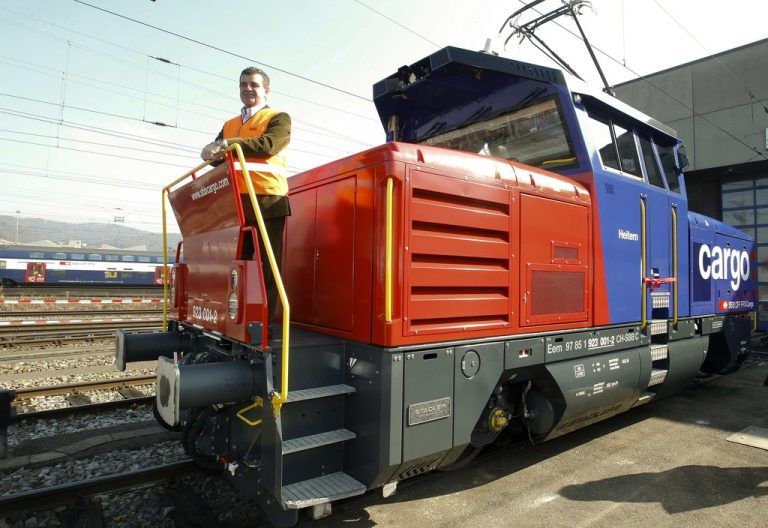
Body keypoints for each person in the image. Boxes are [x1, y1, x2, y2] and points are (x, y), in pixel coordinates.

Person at [201, 67, 291, 331]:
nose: (247, 89)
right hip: (235, 204)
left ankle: (266, 323)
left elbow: (269, 145)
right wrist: (209, 151)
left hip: (266, 201)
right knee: (235, 267)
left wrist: (226, 144)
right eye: (243, 84)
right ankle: (235, 318)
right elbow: (216, 155)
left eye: (254, 84)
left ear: (266, 90)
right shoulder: (229, 124)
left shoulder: (278, 117)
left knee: (266, 267)